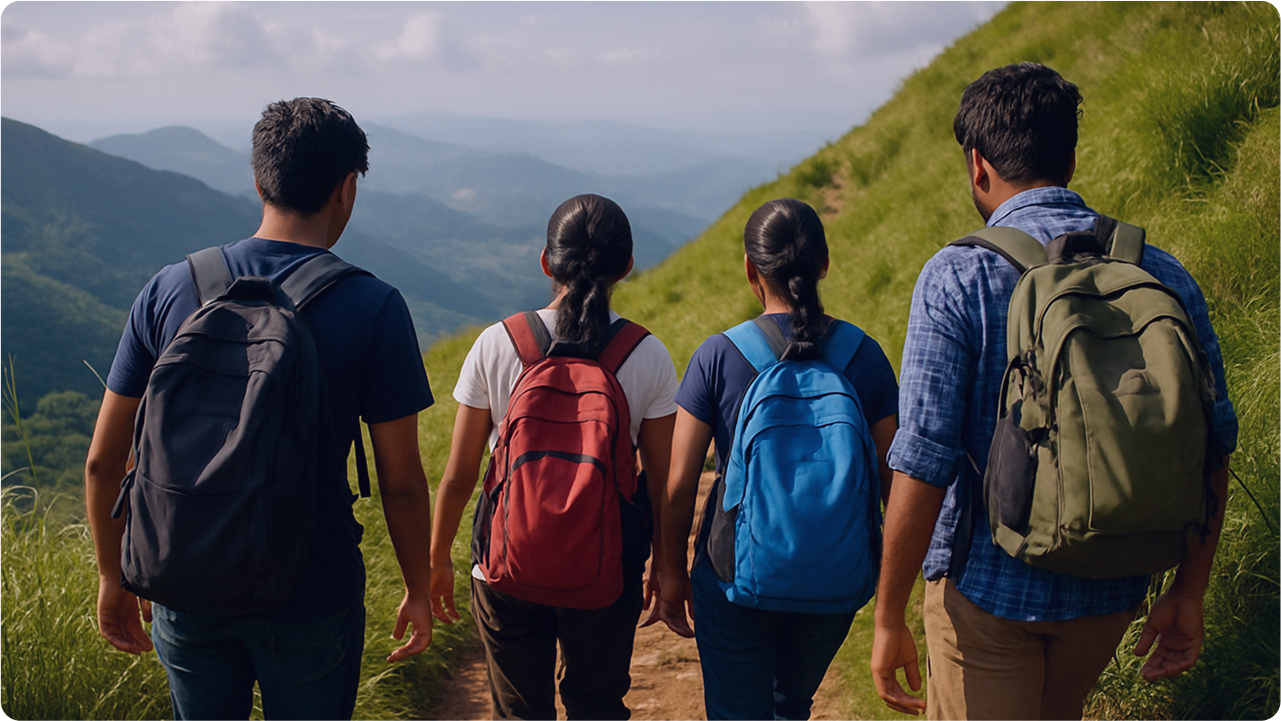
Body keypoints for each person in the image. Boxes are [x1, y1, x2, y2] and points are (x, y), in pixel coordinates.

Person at [870, 63, 1238, 720]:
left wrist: (887, 614)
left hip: (987, 589)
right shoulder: (1157, 271)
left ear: (976, 165)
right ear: (1070, 158)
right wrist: (1189, 586)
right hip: (1113, 577)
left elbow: (923, 457)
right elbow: (1211, 439)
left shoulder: (956, 273)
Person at [84, 97, 436, 721]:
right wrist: (416, 588)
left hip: (184, 579)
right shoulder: (374, 306)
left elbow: (104, 460)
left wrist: (115, 576)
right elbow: (402, 481)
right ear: (347, 189)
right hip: (312, 588)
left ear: (258, 180)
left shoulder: (170, 288)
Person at [428, 193, 677, 721]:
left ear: (546, 262)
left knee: (519, 713)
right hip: (607, 565)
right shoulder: (645, 354)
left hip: (504, 563)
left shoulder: (498, 343)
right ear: (626, 268)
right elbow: (664, 485)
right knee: (597, 705)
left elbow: (459, 475)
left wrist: (434, 560)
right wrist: (666, 565)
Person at [658, 198, 900, 721]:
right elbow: (893, 485)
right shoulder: (866, 356)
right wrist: (893, 593)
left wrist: (671, 573)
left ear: (751, 269)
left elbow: (679, 486)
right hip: (835, 578)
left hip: (733, 579)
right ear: (824, 265)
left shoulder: (719, 355)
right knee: (790, 706)